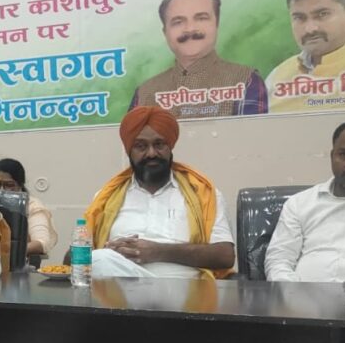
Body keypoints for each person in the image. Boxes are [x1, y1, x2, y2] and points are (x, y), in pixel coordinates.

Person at [80, 107, 235, 278]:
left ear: (170, 147)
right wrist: (109, 250)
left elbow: (225, 256)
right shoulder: (106, 198)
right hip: (120, 287)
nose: (151, 153)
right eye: (141, 146)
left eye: (159, 144)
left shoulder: (203, 193)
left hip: (185, 289)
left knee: (101, 260)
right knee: (99, 259)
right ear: (129, 151)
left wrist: (159, 251)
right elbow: (71, 259)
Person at [265, 119, 345, 283]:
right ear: (332, 156)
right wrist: (293, 294)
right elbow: (279, 260)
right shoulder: (300, 203)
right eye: (344, 154)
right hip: (307, 297)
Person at [130, 0, 268, 119]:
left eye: (201, 18)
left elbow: (252, 133)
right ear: (165, 32)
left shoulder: (245, 79)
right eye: (178, 22)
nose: (190, 29)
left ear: (216, 24)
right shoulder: (145, 92)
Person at [0, 158, 57, 257]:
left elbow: (42, 242)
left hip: (19, 261)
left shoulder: (32, 206)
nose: (1, 190)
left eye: (9, 185)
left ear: (20, 185)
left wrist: (9, 251)